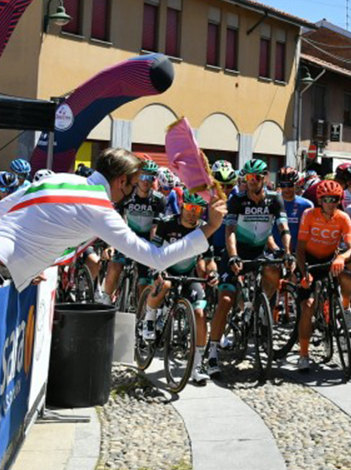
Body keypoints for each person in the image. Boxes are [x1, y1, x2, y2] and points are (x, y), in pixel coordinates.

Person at [0, 147, 225, 294]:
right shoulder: (99, 208)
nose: (128, 194)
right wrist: (210, 226)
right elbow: (155, 257)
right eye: (130, 186)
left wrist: (25, 264)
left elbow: (1, 211)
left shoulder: (60, 179)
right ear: (121, 181)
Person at [209, 159, 288, 378]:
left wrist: (287, 252)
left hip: (260, 251)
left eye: (256, 178)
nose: (252, 182)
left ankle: (262, 309)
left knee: (274, 271)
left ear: (264, 179)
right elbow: (230, 231)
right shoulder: (237, 199)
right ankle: (212, 352)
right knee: (225, 300)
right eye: (248, 178)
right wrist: (233, 256)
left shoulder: (274, 199)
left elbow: (283, 228)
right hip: (236, 252)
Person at [145, 192, 214, 385]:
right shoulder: (167, 223)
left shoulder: (202, 229)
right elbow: (153, 250)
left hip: (188, 274)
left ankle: (197, 365)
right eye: (190, 208)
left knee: (200, 313)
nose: (192, 213)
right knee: (164, 285)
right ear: (183, 206)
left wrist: (212, 274)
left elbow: (209, 261)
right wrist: (157, 270)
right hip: (166, 268)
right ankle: (149, 317)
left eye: (197, 210)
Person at [294, 180, 351, 372]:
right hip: (310, 261)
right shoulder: (309, 215)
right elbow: (300, 249)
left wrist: (342, 257)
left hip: (330, 259)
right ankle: (303, 355)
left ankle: (345, 309)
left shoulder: (343, 218)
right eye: (326, 199)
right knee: (307, 307)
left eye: (335, 200)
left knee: (348, 273)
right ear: (320, 200)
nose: (331, 203)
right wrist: (304, 273)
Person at [100, 159, 166, 302]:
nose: (146, 181)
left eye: (150, 177)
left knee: (144, 281)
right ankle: (105, 298)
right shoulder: (128, 194)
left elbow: (155, 228)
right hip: (126, 235)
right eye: (143, 176)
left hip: (146, 239)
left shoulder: (158, 200)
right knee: (116, 264)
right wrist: (110, 245)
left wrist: (154, 251)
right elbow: (117, 221)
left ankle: (141, 312)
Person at [274, 166, 313, 253]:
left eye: (290, 185)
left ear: (297, 184)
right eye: (283, 185)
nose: (286, 189)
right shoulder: (273, 202)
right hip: (276, 251)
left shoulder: (306, 205)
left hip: (298, 252)